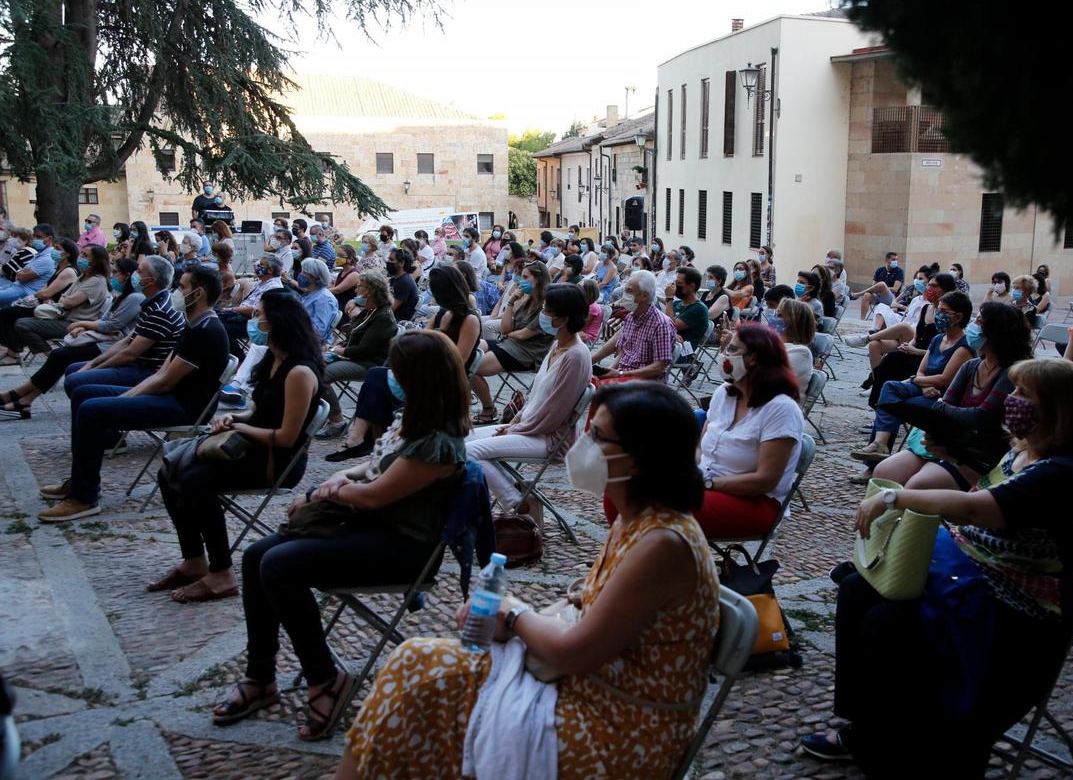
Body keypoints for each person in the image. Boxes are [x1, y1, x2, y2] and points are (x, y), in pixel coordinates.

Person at [337, 380, 719, 779]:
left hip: (619, 729)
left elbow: (574, 653)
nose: (583, 444)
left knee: (419, 676)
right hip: (586, 689)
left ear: (638, 459)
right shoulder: (634, 517)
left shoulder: (663, 542)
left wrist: (515, 613)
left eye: (598, 436)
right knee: (413, 663)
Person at [801, 358, 1073, 777]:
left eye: (1023, 395)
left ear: (1057, 409)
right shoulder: (1023, 453)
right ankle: (864, 725)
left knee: (888, 622)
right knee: (855, 589)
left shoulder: (1062, 472)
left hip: (1015, 601)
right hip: (972, 571)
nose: (1011, 402)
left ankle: (887, 738)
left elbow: (976, 508)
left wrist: (894, 497)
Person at [212, 329, 470, 742]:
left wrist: (321, 491)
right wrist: (340, 476)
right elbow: (372, 466)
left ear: (419, 378)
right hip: (372, 525)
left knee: (279, 564)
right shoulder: (414, 421)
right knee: (255, 555)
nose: (389, 376)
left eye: (397, 370)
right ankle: (260, 675)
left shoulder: (437, 443)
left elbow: (373, 496)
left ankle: (324, 679)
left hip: (402, 546)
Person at [149, 289, 323, 603]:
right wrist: (233, 418)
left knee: (194, 480)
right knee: (169, 470)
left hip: (277, 460)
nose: (253, 319)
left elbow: (286, 437)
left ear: (278, 323)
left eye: (260, 315)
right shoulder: (273, 358)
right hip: (252, 445)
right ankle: (193, 561)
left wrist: (242, 426)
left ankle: (221, 572)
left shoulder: (298, 371)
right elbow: (261, 410)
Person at [37, 266, 229, 522]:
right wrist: (128, 394)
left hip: (182, 405)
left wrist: (126, 398)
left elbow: (164, 381)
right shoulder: (193, 325)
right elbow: (162, 373)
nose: (176, 292)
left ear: (199, 293)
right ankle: (79, 479)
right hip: (168, 394)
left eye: (182, 287)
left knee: (92, 410)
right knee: (84, 392)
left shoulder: (206, 331)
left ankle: (84, 497)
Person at [867, 301, 1032, 489]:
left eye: (979, 322)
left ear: (996, 331)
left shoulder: (1010, 373)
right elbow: (945, 404)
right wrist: (943, 411)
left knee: (918, 484)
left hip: (977, 453)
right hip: (948, 443)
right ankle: (886, 515)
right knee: (884, 472)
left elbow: (981, 416)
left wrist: (942, 409)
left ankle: (905, 513)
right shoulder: (971, 366)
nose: (973, 327)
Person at [326, 266, 481, 463]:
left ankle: (367, 441)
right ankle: (363, 439)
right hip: (425, 369)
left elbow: (459, 359)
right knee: (378, 375)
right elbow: (423, 338)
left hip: (444, 378)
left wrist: (428, 345)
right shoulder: (443, 314)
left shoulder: (469, 319)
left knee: (378, 379)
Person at [466, 284, 592, 520]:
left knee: (467, 453)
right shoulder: (557, 345)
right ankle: (520, 493)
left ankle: (518, 503)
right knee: (462, 441)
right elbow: (536, 396)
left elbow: (555, 413)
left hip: (548, 438)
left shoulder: (575, 356)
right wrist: (513, 422)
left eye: (547, 310)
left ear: (563, 319)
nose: (542, 314)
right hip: (530, 428)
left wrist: (514, 428)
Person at [685, 324, 803, 538]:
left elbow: (765, 480)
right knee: (626, 489)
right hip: (706, 486)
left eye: (731, 349)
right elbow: (701, 448)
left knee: (659, 507)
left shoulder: (781, 409)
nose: (724, 355)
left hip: (753, 502)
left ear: (754, 358)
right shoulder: (724, 392)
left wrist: (707, 484)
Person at [0, 258, 144, 418]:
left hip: (110, 344)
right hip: (100, 337)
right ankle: (24, 400)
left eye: (116, 272)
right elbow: (104, 318)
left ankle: (18, 396)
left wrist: (83, 324)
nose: (113, 275)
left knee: (60, 355)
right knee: (60, 356)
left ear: (127, 275)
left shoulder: (134, 297)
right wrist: (84, 326)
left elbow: (113, 325)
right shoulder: (120, 294)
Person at [848, 290, 974, 463]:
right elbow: (922, 370)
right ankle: (880, 444)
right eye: (938, 310)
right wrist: (922, 383)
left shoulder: (964, 347)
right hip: (924, 387)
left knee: (891, 405)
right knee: (889, 387)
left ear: (958, 317)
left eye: (943, 312)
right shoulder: (938, 339)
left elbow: (945, 379)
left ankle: (875, 460)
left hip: (940, 397)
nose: (938, 315)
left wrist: (916, 381)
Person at [220, 258, 340, 411]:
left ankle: (242, 389)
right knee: (260, 346)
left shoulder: (324, 299)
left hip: (307, 344)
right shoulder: (309, 294)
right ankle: (239, 387)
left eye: (304, 273)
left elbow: (318, 331)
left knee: (263, 348)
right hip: (296, 338)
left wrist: (289, 327)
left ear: (314, 276)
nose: (300, 275)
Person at [60, 255, 182, 391]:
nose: (135, 274)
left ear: (151, 281)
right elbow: (127, 341)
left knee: (76, 380)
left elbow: (130, 353)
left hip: (145, 370)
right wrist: (92, 364)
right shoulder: (151, 301)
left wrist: (94, 369)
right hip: (135, 362)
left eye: (140, 272)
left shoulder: (160, 310)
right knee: (73, 369)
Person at [315, 271, 398, 439]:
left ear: (369, 291)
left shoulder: (383, 317)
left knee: (320, 374)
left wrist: (336, 350)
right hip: (355, 356)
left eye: (358, 286)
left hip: (369, 363)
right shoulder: (369, 311)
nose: (355, 290)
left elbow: (363, 350)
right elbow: (352, 336)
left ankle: (337, 421)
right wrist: (336, 347)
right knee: (312, 364)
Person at [469, 261, 553, 424]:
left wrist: (509, 334)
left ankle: (488, 410)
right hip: (509, 343)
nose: (520, 281)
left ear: (537, 279)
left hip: (526, 354)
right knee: (472, 349)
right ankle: (465, 392)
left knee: (471, 366)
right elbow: (506, 328)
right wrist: (511, 301)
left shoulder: (546, 306)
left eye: (525, 277)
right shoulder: (527, 300)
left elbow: (523, 335)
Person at [0, 243, 107, 362]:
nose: (80, 256)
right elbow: (62, 298)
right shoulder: (83, 276)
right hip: (62, 315)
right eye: (81, 253)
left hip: (74, 323)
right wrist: (63, 299)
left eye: (85, 255)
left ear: (96, 261)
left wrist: (63, 299)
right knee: (13, 316)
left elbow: (67, 302)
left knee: (21, 323)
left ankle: (53, 358)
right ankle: (45, 356)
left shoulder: (95, 280)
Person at [591, 270, 674, 384]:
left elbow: (659, 367)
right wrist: (609, 372)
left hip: (645, 383)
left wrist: (621, 374)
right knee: (588, 382)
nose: (624, 294)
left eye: (629, 291)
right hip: (623, 376)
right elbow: (624, 352)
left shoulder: (661, 324)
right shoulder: (631, 317)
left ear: (644, 296)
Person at [0, 224, 57, 308]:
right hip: (16, 285)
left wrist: (21, 273)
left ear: (49, 239)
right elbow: (20, 273)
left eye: (39, 237)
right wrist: (21, 273)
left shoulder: (47, 258)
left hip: (24, 292)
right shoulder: (39, 254)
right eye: (34, 236)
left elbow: (21, 277)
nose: (35, 239)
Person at [663, 266, 710, 356]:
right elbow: (663, 325)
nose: (675, 286)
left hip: (684, 352)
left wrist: (669, 298)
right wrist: (673, 335)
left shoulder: (698, 308)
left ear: (692, 287)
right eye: (675, 283)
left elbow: (669, 326)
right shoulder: (677, 303)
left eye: (679, 284)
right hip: (670, 345)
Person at [777, 298, 815, 402]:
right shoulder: (774, 344)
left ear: (793, 323)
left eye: (780, 315)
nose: (775, 318)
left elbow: (767, 378)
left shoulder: (801, 353)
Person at [851, 251, 904, 319]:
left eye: (896, 259)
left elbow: (895, 289)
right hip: (878, 296)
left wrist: (883, 288)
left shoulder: (899, 271)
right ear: (887, 260)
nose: (895, 261)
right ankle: (862, 319)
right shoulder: (880, 270)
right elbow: (873, 286)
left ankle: (858, 294)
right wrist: (879, 289)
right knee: (867, 295)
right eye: (893, 259)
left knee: (882, 284)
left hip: (891, 298)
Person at [329, 245, 360, 310]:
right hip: (337, 304)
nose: (337, 257)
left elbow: (337, 290)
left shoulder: (354, 274)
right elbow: (333, 287)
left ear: (350, 259)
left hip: (345, 308)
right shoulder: (342, 271)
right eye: (337, 255)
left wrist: (320, 292)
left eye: (340, 255)